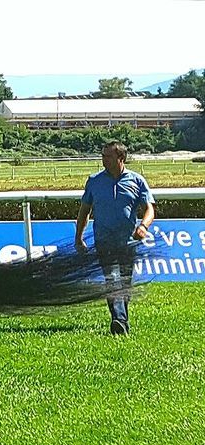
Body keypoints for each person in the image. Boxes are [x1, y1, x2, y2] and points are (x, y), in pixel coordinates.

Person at [74, 140, 154, 336]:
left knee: (126, 282)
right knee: (112, 279)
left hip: (128, 241)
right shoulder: (94, 181)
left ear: (121, 158)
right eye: (102, 156)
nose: (103, 160)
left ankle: (122, 320)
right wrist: (79, 237)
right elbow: (84, 211)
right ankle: (118, 320)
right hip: (104, 240)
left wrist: (143, 226)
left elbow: (150, 209)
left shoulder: (137, 181)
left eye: (108, 156)